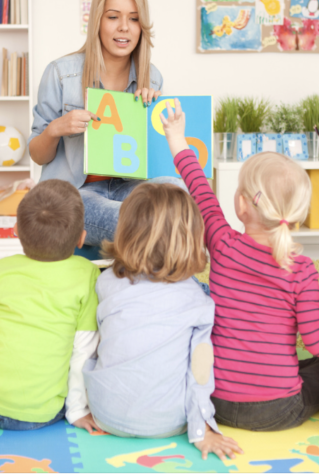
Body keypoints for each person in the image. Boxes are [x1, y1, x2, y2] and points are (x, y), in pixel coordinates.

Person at [160, 100, 319, 432]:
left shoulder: (223, 245)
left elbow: (199, 187)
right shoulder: (302, 270)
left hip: (217, 402)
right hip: (278, 410)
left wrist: (176, 137)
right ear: (298, 213)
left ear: (242, 204)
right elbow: (316, 343)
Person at [83, 182, 242, 460]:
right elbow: (200, 371)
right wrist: (203, 428)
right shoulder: (197, 300)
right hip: (168, 422)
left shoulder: (105, 282)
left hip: (103, 413)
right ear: (192, 238)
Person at [29, 0, 184, 247]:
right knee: (133, 221)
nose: (124, 27)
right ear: (97, 21)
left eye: (134, 18)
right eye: (113, 17)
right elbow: (38, 155)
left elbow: (154, 157)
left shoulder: (153, 78)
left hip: (128, 186)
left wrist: (156, 117)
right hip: (77, 193)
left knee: (179, 194)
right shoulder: (61, 74)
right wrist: (56, 129)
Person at [0, 180, 101, 432]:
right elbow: (83, 350)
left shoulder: (0, 268)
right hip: (37, 412)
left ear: (16, 231)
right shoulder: (87, 275)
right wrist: (77, 409)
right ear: (82, 239)